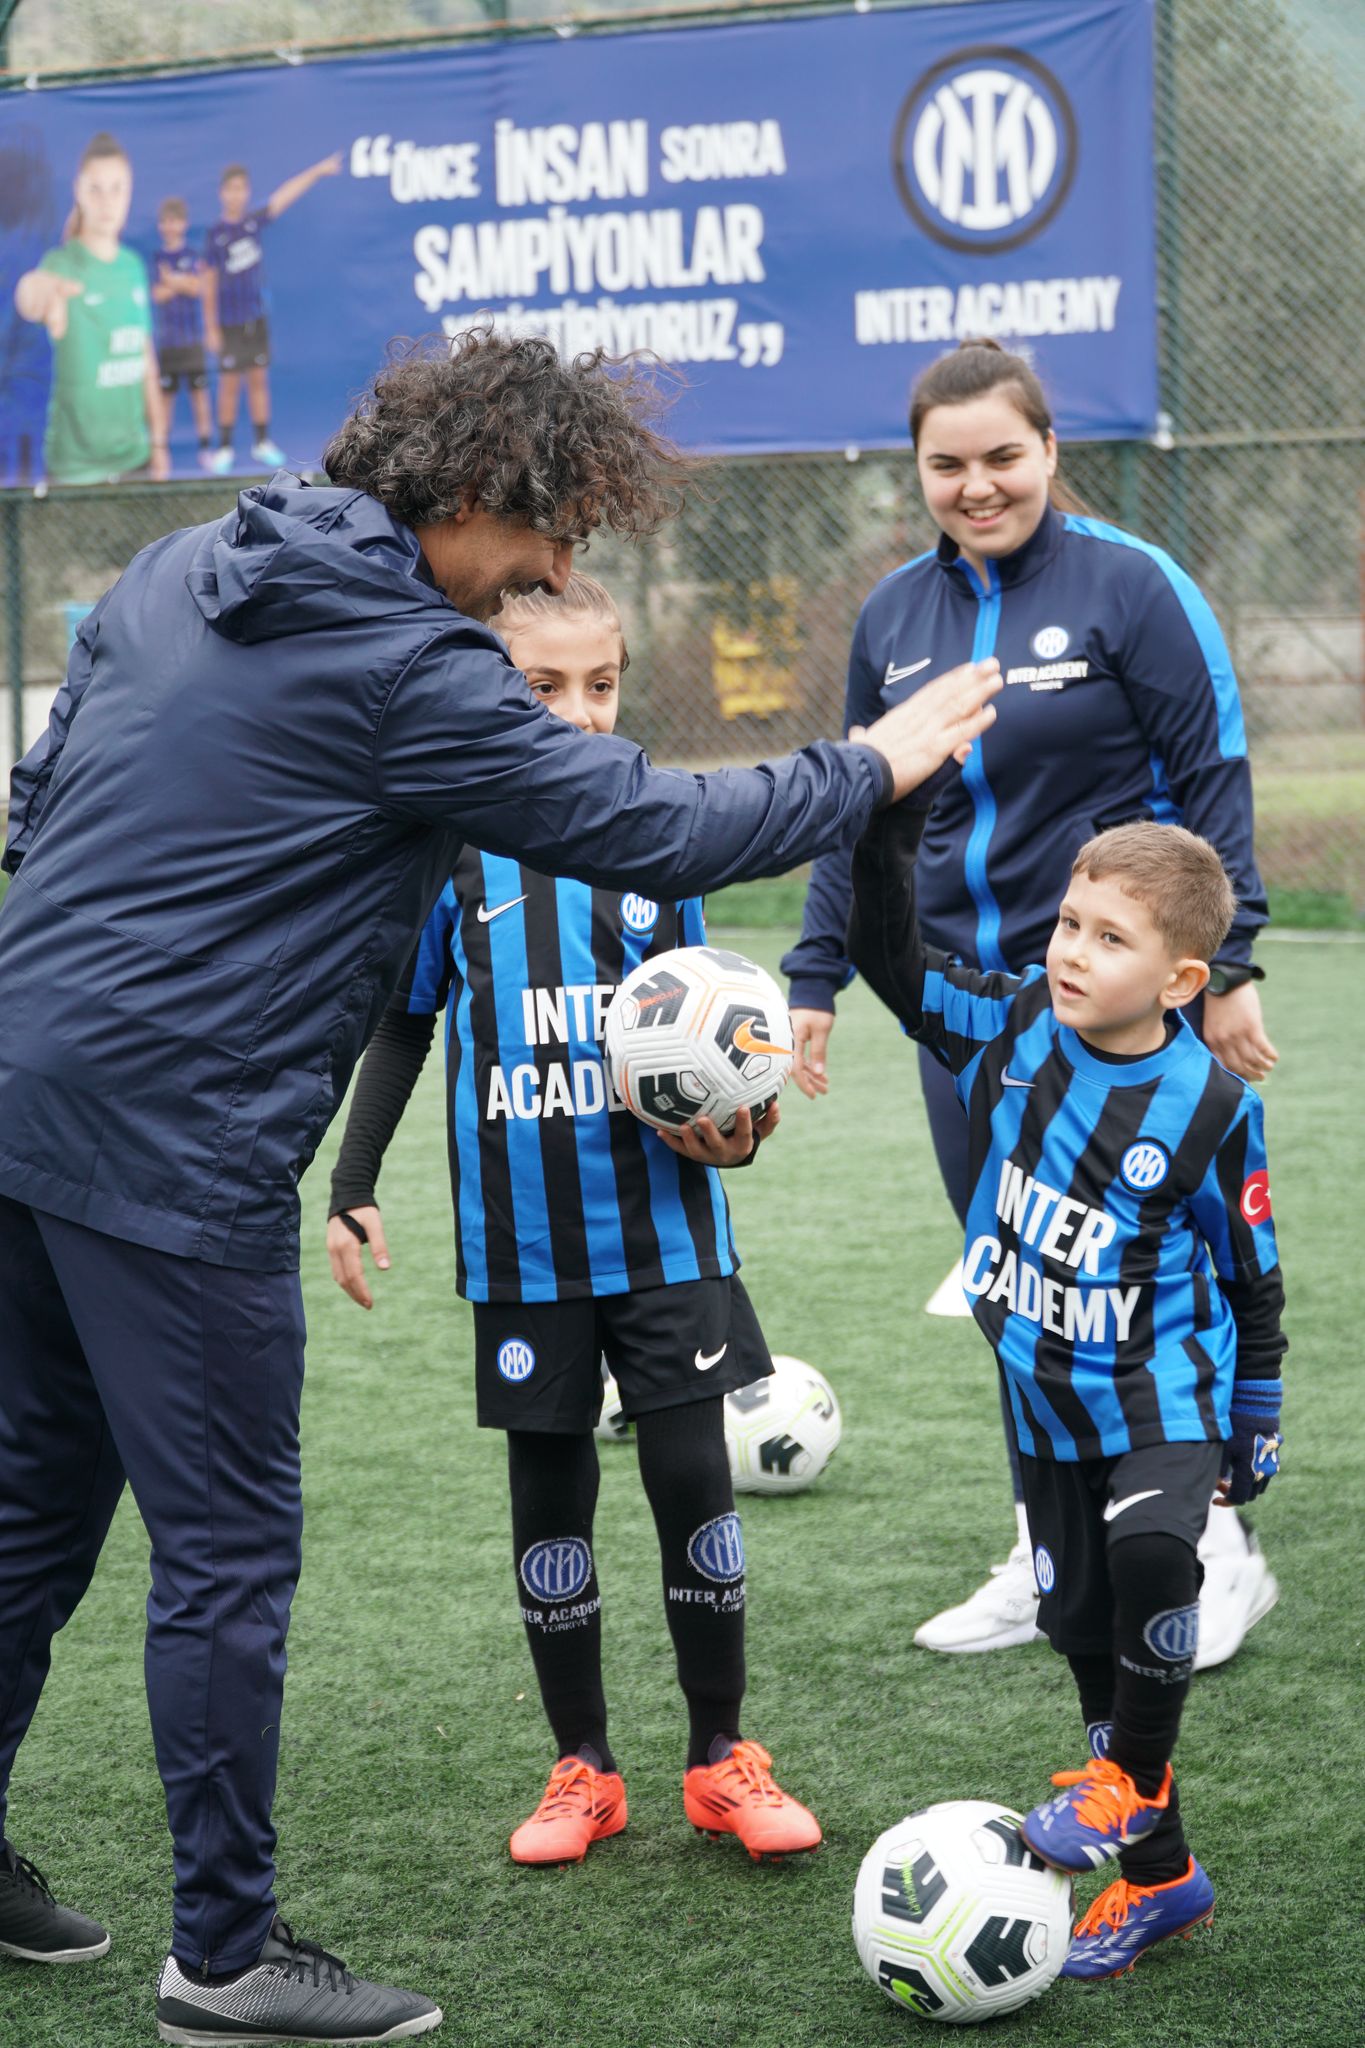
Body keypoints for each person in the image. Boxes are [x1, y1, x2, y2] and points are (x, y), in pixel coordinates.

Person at [0, 327, 998, 2047]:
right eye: (537, 549)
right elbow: (653, 827)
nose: (549, 579)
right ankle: (224, 1956)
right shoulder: (408, 664)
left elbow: (41, 794)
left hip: (22, 1094)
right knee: (227, 1553)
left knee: (31, 1504)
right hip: (176, 1155)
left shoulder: (173, 567)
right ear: (460, 499)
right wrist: (877, 761)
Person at [784, 337, 1279, 1663]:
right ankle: (1043, 1544)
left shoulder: (1135, 587)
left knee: (1161, 1281)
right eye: (947, 464)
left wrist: (1226, 973)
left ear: (1050, 451)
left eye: (1002, 455)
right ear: (920, 471)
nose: (976, 484)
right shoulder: (894, 616)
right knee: (1020, 1283)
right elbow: (859, 804)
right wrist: (817, 975)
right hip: (970, 1021)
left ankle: (1214, 1544)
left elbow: (1211, 771)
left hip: (1124, 1015)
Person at [326, 573, 822, 1869]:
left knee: (690, 1486)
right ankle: (582, 1767)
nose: (578, 711)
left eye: (597, 684)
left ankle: (720, 1757)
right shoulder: (444, 843)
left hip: (665, 1238)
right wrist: (351, 1180)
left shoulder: (650, 837)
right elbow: (403, 1017)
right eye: (542, 686)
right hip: (522, 1247)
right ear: (484, 686)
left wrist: (744, 1129)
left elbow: (722, 1033)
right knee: (549, 1497)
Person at [848, 790, 1286, 1978]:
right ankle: (1163, 1879)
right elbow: (891, 962)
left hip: (1165, 1390)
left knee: (1157, 1555)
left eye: (1110, 936)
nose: (1074, 950)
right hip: (1042, 1396)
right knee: (1083, 1631)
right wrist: (883, 843)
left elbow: (1254, 1271)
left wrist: (1256, 1409)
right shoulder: (1020, 1028)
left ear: (1183, 978)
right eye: (1069, 922)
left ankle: (1134, 1775)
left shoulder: (1208, 1106)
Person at [12, 131, 168, 485]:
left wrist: (158, 441)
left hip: (136, 462)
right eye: (95, 189)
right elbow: (31, 295)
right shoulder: (61, 264)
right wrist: (35, 290)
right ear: (79, 192)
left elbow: (146, 358)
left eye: (117, 188)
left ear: (129, 193)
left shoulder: (132, 266)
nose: (107, 201)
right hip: (75, 472)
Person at [202, 152, 341, 473]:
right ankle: (223, 447)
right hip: (229, 324)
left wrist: (318, 171)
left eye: (241, 188)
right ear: (222, 193)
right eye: (230, 189)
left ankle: (262, 442)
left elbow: (284, 196)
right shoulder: (215, 235)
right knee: (229, 385)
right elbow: (207, 284)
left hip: (255, 319)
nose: (236, 194)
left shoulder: (253, 222)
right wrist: (210, 327)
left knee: (258, 380)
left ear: (247, 192)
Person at [150, 196, 213, 471]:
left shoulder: (192, 255)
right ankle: (161, 450)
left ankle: (205, 449)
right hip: (168, 343)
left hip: (192, 341)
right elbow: (157, 294)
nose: (169, 226)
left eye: (174, 221)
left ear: (184, 224)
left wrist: (172, 280)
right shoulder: (157, 259)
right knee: (165, 398)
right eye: (164, 221)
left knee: (200, 396)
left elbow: (197, 287)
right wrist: (179, 283)